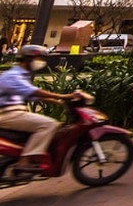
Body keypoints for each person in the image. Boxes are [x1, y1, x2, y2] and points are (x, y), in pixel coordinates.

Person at [0, 45, 77, 174]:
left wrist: (60, 102)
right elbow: (34, 91)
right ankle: (24, 162)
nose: (41, 62)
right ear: (28, 59)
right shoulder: (13, 75)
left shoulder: (23, 75)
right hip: (7, 113)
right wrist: (63, 96)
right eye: (39, 58)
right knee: (49, 124)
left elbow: (33, 96)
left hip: (14, 112)